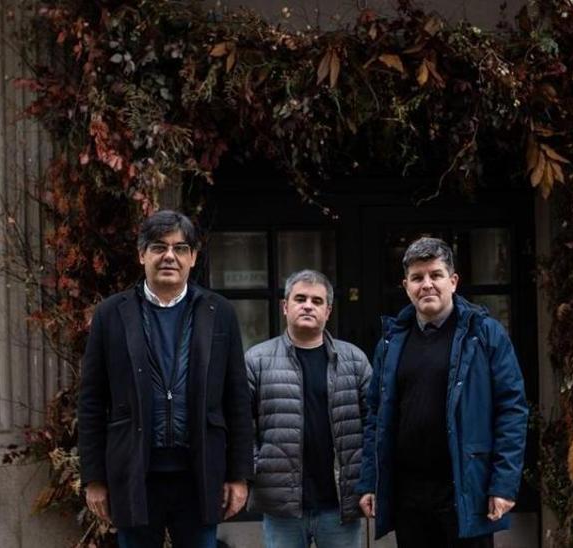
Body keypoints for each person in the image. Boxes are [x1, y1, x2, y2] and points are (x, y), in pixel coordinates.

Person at [77, 210, 253, 548]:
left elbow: (237, 400)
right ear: (142, 255)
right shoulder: (111, 314)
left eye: (180, 248)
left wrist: (238, 475)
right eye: (159, 247)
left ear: (193, 257)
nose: (169, 256)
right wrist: (94, 478)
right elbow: (92, 402)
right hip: (134, 473)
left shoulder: (219, 312)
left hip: (200, 471)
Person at [357, 237, 530, 548]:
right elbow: (376, 416)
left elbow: (512, 411)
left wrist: (503, 484)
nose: (427, 285)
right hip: (409, 492)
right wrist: (371, 481)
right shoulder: (391, 341)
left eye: (435, 275)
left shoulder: (484, 334)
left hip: (465, 487)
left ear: (453, 281)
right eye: (417, 277)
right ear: (406, 285)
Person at [245, 270, 372, 548]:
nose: (307, 305)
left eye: (316, 301)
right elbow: (242, 427)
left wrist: (368, 479)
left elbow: (373, 425)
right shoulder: (256, 360)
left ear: (328, 311)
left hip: (340, 505)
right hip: (282, 508)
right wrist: (260, 467)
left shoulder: (354, 360)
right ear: (285, 306)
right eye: (300, 298)